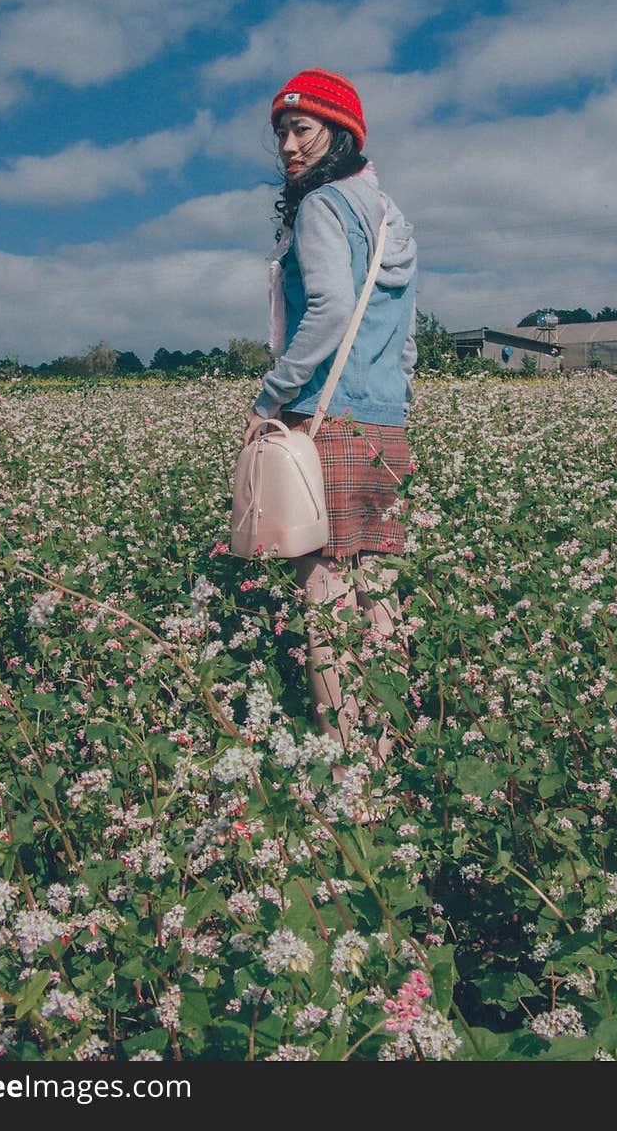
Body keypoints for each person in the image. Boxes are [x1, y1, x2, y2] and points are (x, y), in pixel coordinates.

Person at [243, 68, 417, 777]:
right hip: (385, 426)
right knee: (377, 592)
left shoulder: (322, 206)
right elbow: (401, 340)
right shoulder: (388, 214)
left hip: (327, 419)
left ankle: (347, 767)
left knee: (324, 594)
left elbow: (330, 311)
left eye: (302, 128)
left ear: (339, 133)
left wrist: (269, 399)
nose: (288, 144)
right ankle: (391, 750)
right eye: (282, 131)